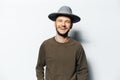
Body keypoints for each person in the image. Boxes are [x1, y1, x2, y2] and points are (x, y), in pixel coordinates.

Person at [36, 6, 88, 80]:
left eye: (67, 21)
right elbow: (39, 67)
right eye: (60, 20)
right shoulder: (46, 45)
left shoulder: (77, 47)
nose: (63, 24)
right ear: (55, 24)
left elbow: (83, 70)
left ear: (71, 26)